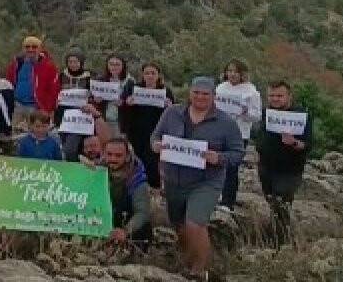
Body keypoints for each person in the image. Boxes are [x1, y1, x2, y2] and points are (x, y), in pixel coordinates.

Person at [151, 76, 245, 281]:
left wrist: (219, 157)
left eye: (205, 94)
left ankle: (200, 272)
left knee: (195, 222)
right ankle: (189, 259)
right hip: (174, 179)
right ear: (189, 93)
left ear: (214, 96)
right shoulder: (172, 113)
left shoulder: (225, 122)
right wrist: (156, 145)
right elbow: (155, 137)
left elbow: (238, 153)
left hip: (206, 181)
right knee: (180, 225)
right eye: (196, 93)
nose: (200, 97)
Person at [255, 80, 312, 246]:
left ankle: (280, 244)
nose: (275, 99)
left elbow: (308, 144)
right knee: (273, 203)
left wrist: (293, 142)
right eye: (272, 95)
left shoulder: (301, 115)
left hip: (289, 170)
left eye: (279, 96)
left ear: (289, 96)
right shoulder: (266, 113)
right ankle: (273, 236)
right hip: (266, 167)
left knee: (282, 205)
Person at [216, 58, 262, 210]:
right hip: (218, 131)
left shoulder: (251, 92)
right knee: (215, 166)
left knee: (231, 168)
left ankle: (228, 201)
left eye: (235, 71)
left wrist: (245, 112)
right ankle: (215, 196)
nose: (232, 74)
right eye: (229, 71)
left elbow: (256, 116)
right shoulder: (221, 88)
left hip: (239, 133)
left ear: (242, 73)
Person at [120, 62, 175, 188]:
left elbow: (172, 112)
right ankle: (136, 186)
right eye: (147, 73)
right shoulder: (134, 88)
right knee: (137, 159)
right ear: (142, 75)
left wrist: (169, 105)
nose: (150, 76)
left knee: (153, 161)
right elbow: (123, 108)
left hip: (156, 130)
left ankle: (154, 188)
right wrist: (127, 103)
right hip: (136, 131)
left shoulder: (165, 91)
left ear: (158, 75)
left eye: (153, 73)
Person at [104, 137, 152, 251]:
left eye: (118, 155)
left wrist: (126, 231)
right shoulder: (97, 170)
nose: (113, 159)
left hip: (129, 225)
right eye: (109, 154)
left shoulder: (137, 178)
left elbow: (142, 213)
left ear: (127, 157)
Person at [4, 36, 60, 125]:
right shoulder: (17, 64)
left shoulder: (48, 66)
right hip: (18, 106)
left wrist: (48, 109)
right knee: (16, 136)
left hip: (37, 108)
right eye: (27, 47)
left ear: (40, 49)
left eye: (34, 47)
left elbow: (54, 90)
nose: (30, 49)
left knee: (37, 135)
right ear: (23, 48)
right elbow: (8, 83)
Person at [56, 50, 94, 161]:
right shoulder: (61, 75)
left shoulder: (90, 76)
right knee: (65, 144)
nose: (73, 64)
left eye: (75, 61)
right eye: (70, 62)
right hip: (64, 114)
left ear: (81, 62)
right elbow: (54, 91)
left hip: (83, 116)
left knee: (76, 147)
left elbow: (94, 93)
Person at [93, 54, 130, 137]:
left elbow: (132, 102)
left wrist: (124, 103)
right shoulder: (100, 80)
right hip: (103, 119)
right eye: (111, 64)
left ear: (123, 66)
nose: (114, 67)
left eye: (117, 64)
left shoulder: (129, 82)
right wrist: (96, 100)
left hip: (120, 122)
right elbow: (92, 99)